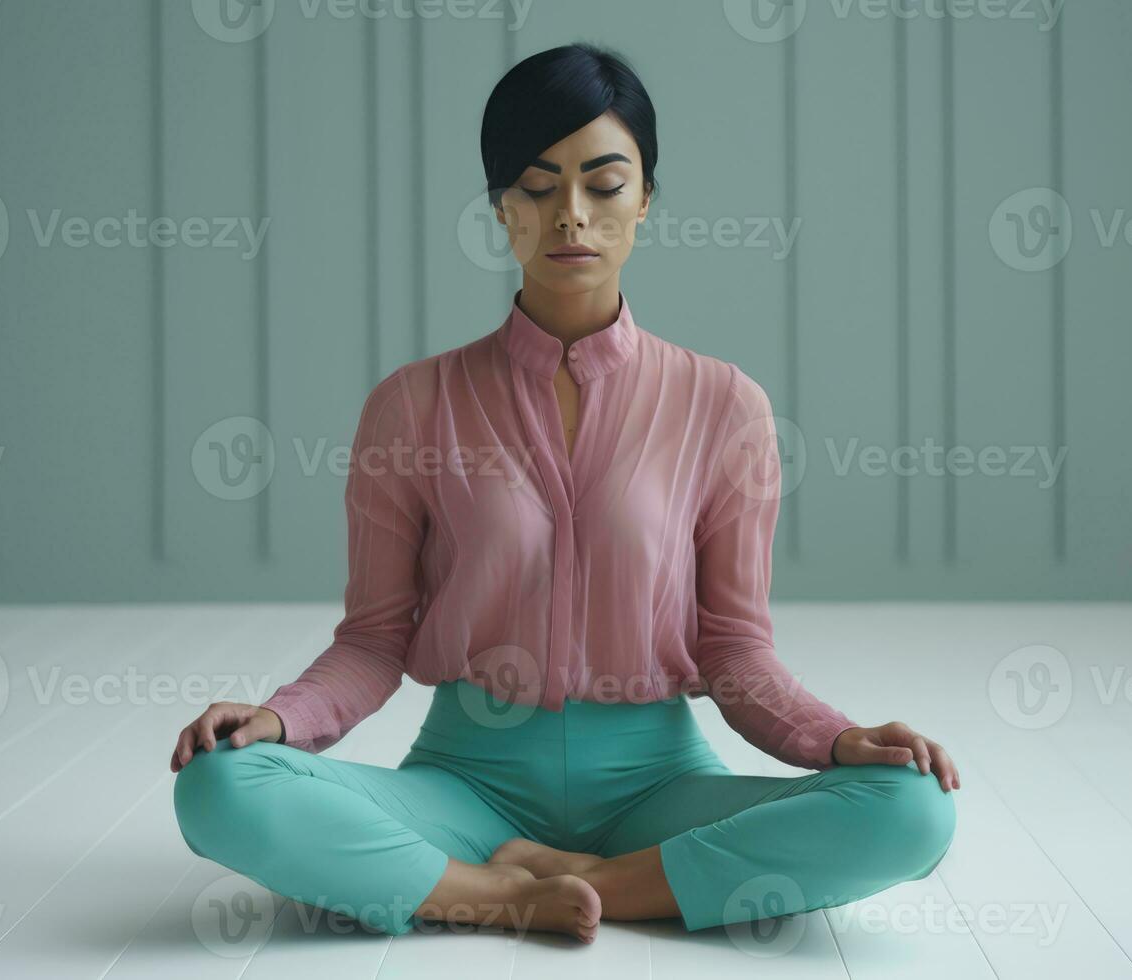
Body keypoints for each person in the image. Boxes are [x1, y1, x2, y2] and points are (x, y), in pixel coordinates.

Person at [171, 41, 958, 945]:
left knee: (913, 808)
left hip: (659, 789)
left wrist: (837, 740)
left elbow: (736, 647)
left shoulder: (723, 404)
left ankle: (584, 884)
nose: (570, 215)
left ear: (647, 200)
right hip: (463, 785)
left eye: (604, 183)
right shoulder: (413, 404)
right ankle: (508, 894)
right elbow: (374, 639)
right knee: (220, 785)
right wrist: (279, 717)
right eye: (537, 187)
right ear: (500, 209)